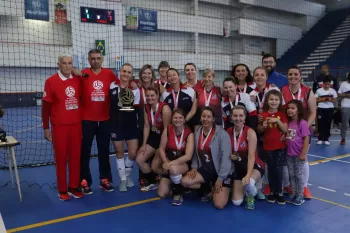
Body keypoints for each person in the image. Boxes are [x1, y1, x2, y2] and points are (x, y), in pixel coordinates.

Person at [42, 54, 84, 201]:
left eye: (70, 63)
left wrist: (78, 71)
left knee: (75, 158)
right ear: (58, 64)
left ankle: (73, 186)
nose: (67, 66)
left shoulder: (78, 79)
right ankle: (62, 189)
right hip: (59, 126)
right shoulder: (51, 81)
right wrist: (46, 128)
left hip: (76, 125)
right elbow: (46, 107)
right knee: (60, 158)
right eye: (64, 63)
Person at [79, 49, 119, 194]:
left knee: (104, 151)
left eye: (98, 58)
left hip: (104, 120)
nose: (95, 61)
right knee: (85, 151)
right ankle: (84, 180)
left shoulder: (109, 74)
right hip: (86, 120)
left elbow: (121, 87)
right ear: (89, 60)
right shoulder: (82, 74)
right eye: (92, 59)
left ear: (102, 59)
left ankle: (105, 179)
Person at [181, 107, 232, 209]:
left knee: (219, 204)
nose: (205, 119)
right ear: (200, 118)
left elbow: (226, 159)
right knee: (184, 182)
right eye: (203, 116)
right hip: (206, 170)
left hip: (221, 172)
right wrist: (194, 167)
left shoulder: (222, 134)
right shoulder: (197, 133)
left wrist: (220, 178)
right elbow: (195, 153)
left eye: (209, 117)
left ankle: (229, 188)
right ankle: (207, 187)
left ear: (213, 119)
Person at [281, 66, 316, 199]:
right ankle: (291, 185)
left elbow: (313, 112)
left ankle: (304, 187)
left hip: (302, 129)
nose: (293, 77)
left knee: (303, 158)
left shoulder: (307, 91)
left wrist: (304, 127)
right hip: (288, 128)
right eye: (290, 74)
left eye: (296, 74)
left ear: (300, 76)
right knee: (289, 158)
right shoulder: (282, 90)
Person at [152, 108, 194, 205]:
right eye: (175, 117)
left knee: (173, 169)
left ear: (184, 120)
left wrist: (169, 163)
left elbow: (188, 156)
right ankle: (174, 181)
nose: (177, 120)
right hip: (169, 161)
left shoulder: (189, 133)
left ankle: (178, 193)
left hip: (183, 163)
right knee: (162, 194)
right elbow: (161, 148)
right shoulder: (168, 129)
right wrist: (165, 161)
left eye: (180, 118)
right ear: (172, 119)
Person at [109, 63, 140, 192]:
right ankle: (122, 180)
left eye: (128, 72)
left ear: (131, 75)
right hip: (116, 124)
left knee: (133, 153)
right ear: (120, 72)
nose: (126, 74)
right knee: (119, 153)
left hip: (131, 124)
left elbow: (135, 108)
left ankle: (127, 176)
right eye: (124, 71)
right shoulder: (112, 86)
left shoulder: (135, 90)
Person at [227, 105, 264, 210]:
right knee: (236, 202)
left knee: (249, 183)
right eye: (235, 116)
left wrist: (248, 175)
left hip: (253, 165)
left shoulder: (250, 132)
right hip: (239, 166)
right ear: (231, 117)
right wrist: (230, 154)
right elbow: (228, 151)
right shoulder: (228, 131)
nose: (238, 118)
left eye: (241, 116)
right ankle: (244, 188)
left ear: (245, 117)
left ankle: (251, 194)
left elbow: (252, 157)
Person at [136, 87, 172, 191]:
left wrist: (161, 148)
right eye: (147, 95)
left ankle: (170, 180)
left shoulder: (164, 108)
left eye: (152, 95)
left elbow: (167, 130)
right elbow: (147, 126)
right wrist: (143, 144)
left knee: (155, 167)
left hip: (164, 138)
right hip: (154, 137)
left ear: (157, 96)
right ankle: (153, 182)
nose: (149, 98)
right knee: (139, 159)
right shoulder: (146, 107)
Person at [257, 90, 288, 204]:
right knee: (270, 170)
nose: (273, 102)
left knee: (278, 169)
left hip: (280, 147)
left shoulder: (282, 114)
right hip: (268, 147)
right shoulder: (263, 115)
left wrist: (277, 120)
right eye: (271, 99)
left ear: (279, 101)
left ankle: (279, 192)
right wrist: (263, 126)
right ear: (267, 101)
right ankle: (271, 192)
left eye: (276, 100)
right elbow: (259, 130)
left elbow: (285, 130)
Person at [285, 100, 310, 206]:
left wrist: (303, 154)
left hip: (299, 155)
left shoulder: (303, 123)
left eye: (292, 108)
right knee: (291, 174)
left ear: (298, 111)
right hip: (289, 154)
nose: (289, 110)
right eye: (288, 108)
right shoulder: (290, 123)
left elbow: (306, 139)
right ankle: (294, 193)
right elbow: (291, 137)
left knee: (299, 175)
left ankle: (300, 194)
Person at [315, 76, 338, 145]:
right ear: (323, 84)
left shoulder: (332, 91)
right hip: (321, 108)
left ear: (330, 84)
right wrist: (322, 99)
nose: (327, 85)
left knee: (328, 124)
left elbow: (335, 100)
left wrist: (331, 99)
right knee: (320, 123)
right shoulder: (319, 90)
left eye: (328, 84)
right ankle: (320, 138)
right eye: (325, 84)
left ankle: (326, 139)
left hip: (330, 109)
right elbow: (315, 99)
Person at [338, 72, 350, 145]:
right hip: (345, 106)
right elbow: (339, 95)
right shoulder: (343, 84)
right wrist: (346, 95)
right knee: (344, 123)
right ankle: (343, 138)